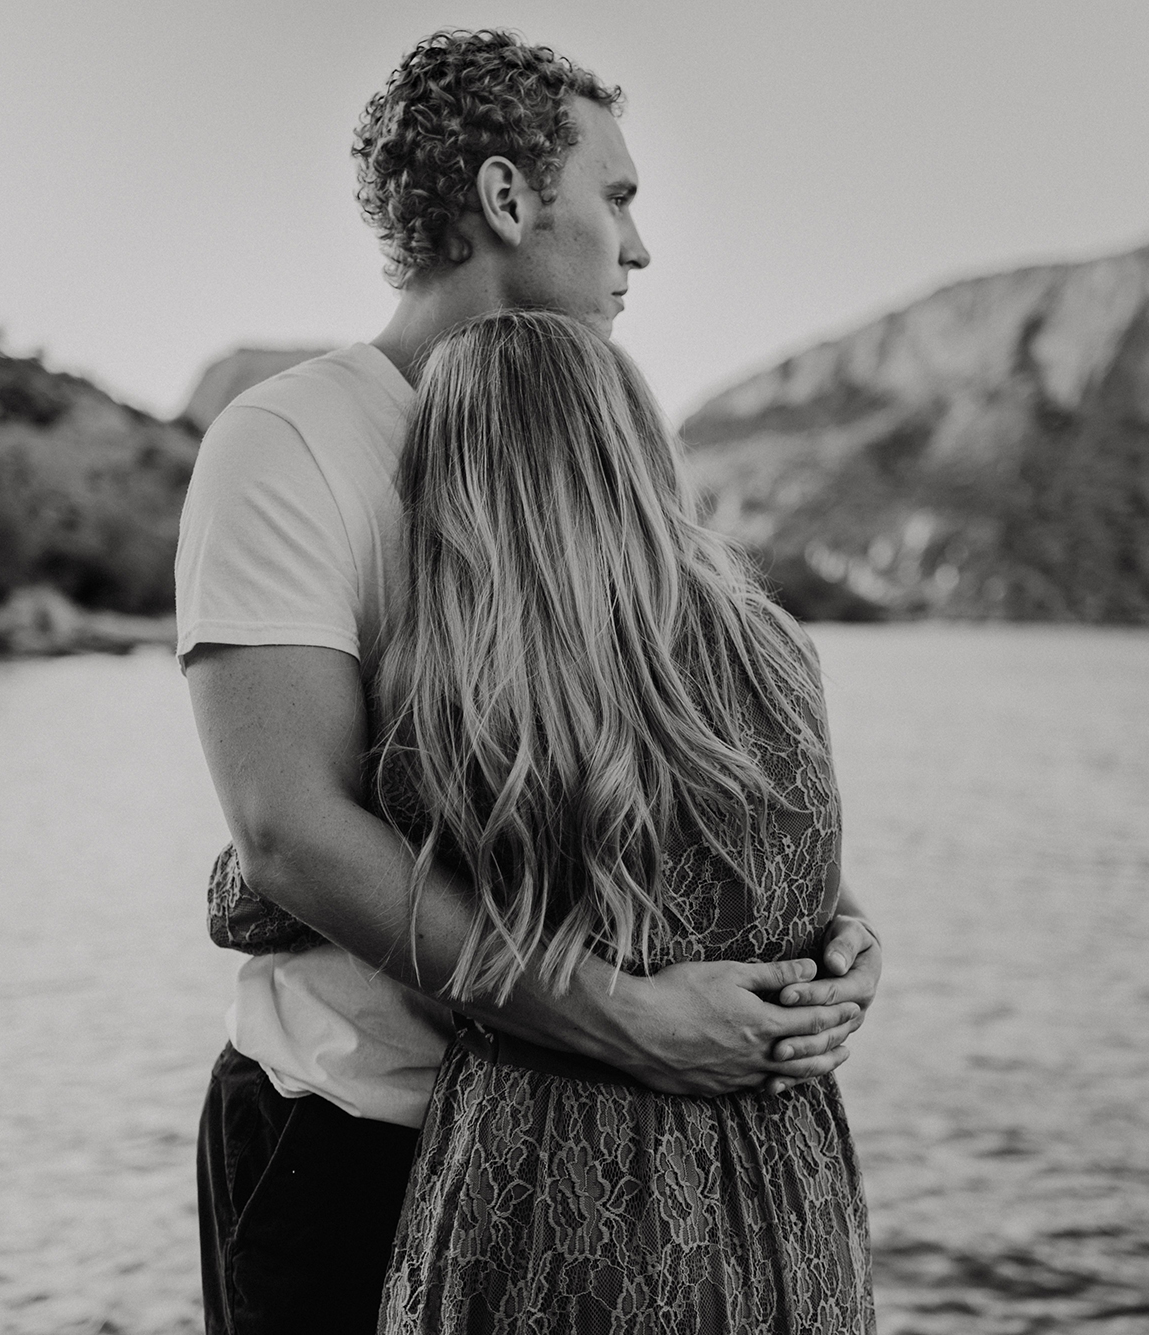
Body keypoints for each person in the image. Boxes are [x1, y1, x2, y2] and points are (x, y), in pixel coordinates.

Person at [176, 30, 882, 1334]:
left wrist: (825, 938)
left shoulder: (596, 461)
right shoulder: (287, 441)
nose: (640, 246)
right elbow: (287, 831)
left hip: (585, 1169)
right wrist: (628, 1018)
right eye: (614, 198)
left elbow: (679, 770)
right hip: (362, 1131)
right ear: (508, 200)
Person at [373, 309, 873, 1333]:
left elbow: (280, 879)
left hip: (557, 1184)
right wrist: (850, 945)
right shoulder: (775, 651)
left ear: (456, 481)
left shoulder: (470, 695)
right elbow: (795, 875)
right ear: (637, 450)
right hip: (786, 1166)